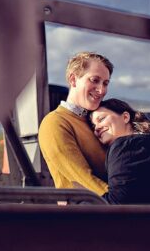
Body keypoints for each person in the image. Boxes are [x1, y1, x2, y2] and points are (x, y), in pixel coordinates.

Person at [38, 52, 113, 196]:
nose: (101, 90)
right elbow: (83, 180)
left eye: (105, 83)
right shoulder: (54, 123)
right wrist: (128, 203)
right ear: (73, 79)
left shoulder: (96, 120)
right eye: (94, 80)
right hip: (88, 214)